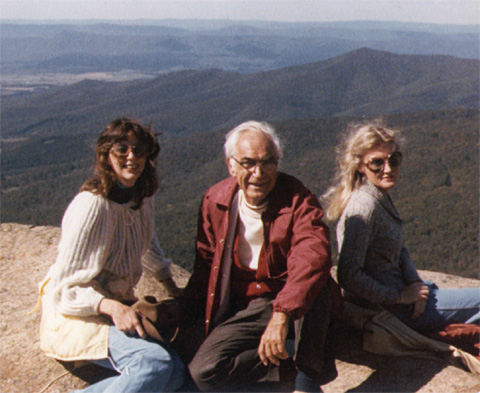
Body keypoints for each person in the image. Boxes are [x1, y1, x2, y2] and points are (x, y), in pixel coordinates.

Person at [181, 121, 338, 393]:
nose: (259, 173)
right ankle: (288, 356)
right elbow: (206, 265)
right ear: (231, 166)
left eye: (268, 162)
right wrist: (184, 313)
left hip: (293, 299)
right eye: (248, 163)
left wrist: (282, 314)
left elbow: (313, 254)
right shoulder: (215, 201)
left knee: (316, 281)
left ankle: (306, 380)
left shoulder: (298, 199)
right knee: (203, 372)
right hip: (247, 305)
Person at [38, 118, 185, 392]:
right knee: (153, 365)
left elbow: (147, 243)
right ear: (106, 155)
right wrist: (114, 308)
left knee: (175, 375)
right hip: (77, 313)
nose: (132, 157)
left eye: (139, 150)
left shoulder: (141, 196)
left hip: (114, 306)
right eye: (121, 149)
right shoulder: (93, 205)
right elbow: (64, 288)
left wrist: (170, 285)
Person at [323, 123, 480, 332]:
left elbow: (399, 249)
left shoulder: (378, 196)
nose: (388, 169)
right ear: (360, 166)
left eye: (393, 160)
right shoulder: (364, 208)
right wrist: (400, 297)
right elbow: (348, 275)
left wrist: (418, 288)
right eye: (376, 163)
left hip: (401, 297)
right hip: (389, 310)